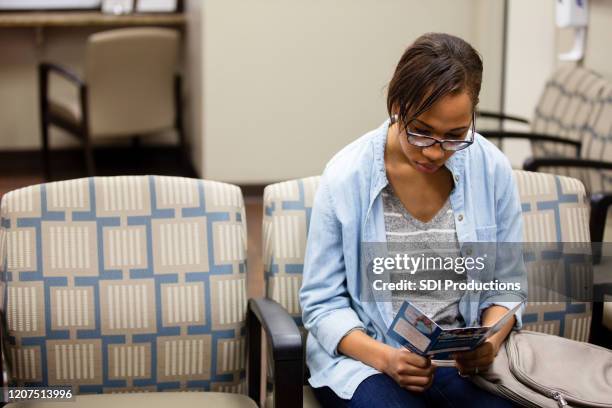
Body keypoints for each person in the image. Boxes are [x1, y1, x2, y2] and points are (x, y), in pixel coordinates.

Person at [299, 32, 525, 407]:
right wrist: (385, 358)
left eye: (455, 136)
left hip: (460, 365)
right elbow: (321, 304)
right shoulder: (346, 176)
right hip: (368, 360)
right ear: (397, 106)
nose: (435, 152)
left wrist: (488, 341)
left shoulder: (491, 168)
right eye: (421, 131)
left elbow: (508, 287)